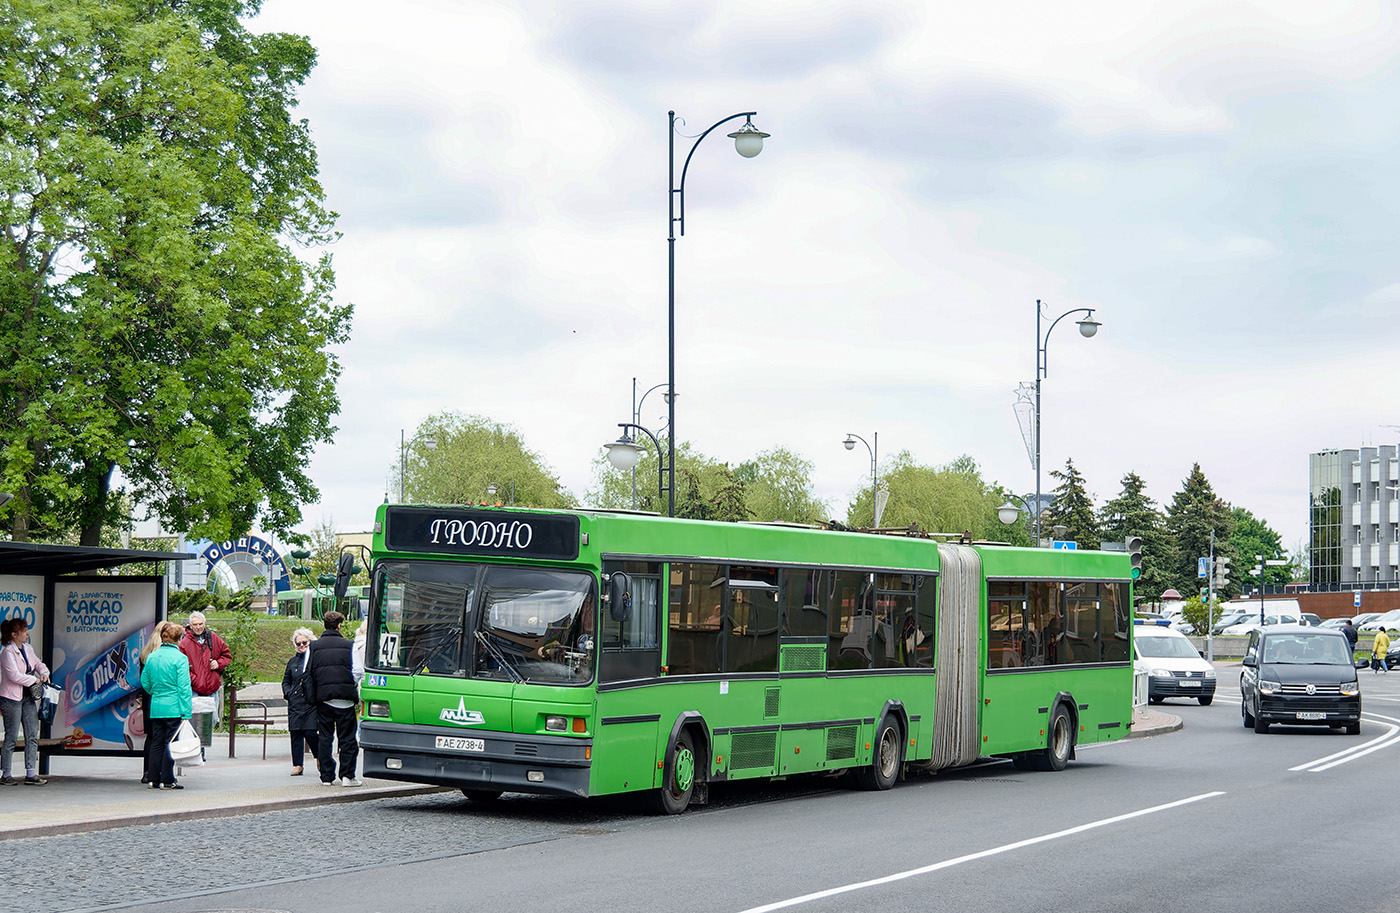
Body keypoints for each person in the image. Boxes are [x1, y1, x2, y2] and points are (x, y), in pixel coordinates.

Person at [307, 611, 360, 787]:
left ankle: (326, 777)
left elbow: (308, 671)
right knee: (348, 739)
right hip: (345, 699)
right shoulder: (350, 645)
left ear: (324, 625)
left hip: (324, 699)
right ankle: (347, 776)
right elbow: (358, 671)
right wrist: (348, 684)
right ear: (339, 626)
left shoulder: (313, 646)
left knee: (325, 738)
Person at [139, 621, 192, 790]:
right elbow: (184, 688)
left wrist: (155, 692)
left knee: (156, 742)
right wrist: (186, 712)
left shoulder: (152, 657)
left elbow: (144, 682)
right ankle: (167, 779)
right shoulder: (180, 659)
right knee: (170, 743)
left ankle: (153, 779)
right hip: (174, 707)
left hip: (156, 706)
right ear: (179, 639)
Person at [0, 618, 51, 786]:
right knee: (12, 736)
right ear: (14, 635)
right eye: (24, 631)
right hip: (11, 698)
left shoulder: (28, 648)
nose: (27, 633)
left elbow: (38, 663)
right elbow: (14, 676)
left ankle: (30, 773)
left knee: (32, 734)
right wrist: (34, 680)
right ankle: (6, 774)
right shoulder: (7, 652)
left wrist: (43, 673)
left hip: (28, 697)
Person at [179, 610, 232, 759]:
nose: (198, 627)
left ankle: (201, 749)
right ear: (190, 625)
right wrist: (195, 680)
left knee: (212, 719)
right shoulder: (185, 643)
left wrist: (218, 663)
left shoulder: (213, 638)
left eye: (200, 624)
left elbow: (226, 655)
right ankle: (198, 752)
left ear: (205, 624)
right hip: (195, 688)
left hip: (212, 687)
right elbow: (182, 667)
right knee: (195, 721)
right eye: (195, 624)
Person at [281, 627, 319, 776]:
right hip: (295, 702)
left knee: (310, 732)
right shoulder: (292, 661)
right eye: (298, 643)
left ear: (310, 642)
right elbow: (286, 681)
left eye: (305, 642)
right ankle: (298, 765)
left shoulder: (315, 659)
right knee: (296, 733)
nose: (302, 645)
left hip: (311, 702)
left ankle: (318, 757)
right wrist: (288, 693)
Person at [136, 625, 166, 783]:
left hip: (149, 698)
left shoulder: (145, 653)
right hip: (163, 698)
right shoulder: (164, 655)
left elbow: (143, 680)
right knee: (163, 736)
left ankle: (147, 772)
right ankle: (160, 772)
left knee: (151, 736)